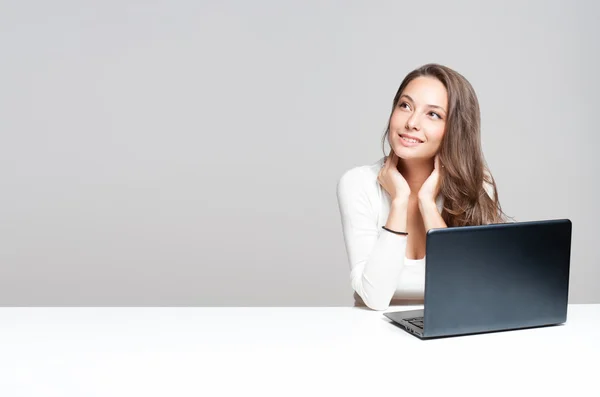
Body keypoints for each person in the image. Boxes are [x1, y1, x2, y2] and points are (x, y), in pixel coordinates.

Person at [336, 63, 511, 311]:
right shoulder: (358, 184)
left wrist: (428, 205)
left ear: (455, 130)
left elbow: (468, 290)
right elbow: (374, 297)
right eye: (405, 106)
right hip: (373, 332)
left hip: (451, 328)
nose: (412, 123)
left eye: (433, 114)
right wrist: (399, 201)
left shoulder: (476, 185)